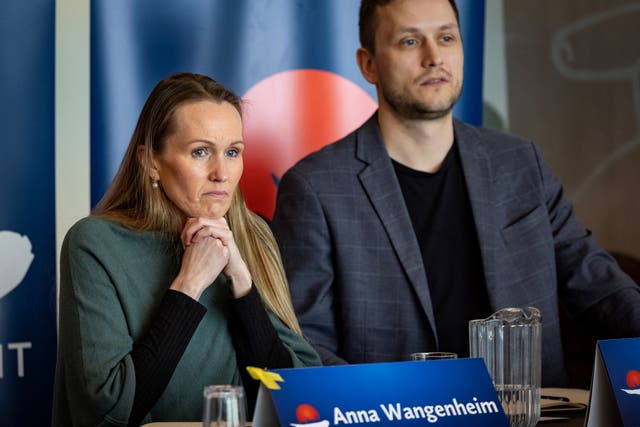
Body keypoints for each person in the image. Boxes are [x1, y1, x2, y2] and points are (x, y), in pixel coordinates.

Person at [270, 0, 640, 387]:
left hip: (534, 416)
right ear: (369, 64)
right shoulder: (316, 187)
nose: (433, 57)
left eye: (446, 37)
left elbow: (596, 283)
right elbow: (305, 345)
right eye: (410, 41)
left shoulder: (519, 163)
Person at [52, 72, 321, 426]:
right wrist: (189, 284)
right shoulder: (94, 243)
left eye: (232, 152)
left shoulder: (254, 235)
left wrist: (244, 290)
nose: (221, 173)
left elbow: (300, 399)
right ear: (151, 162)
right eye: (200, 152)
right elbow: (110, 410)